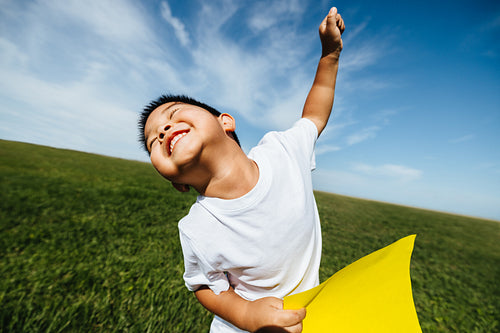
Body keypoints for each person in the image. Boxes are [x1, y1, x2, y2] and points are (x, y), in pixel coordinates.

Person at [139, 6, 345, 333]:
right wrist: (248, 316)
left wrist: (329, 56)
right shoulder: (197, 228)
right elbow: (205, 287)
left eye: (173, 114)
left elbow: (314, 117)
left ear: (225, 122)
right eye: (153, 141)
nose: (163, 131)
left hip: (308, 319)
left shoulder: (282, 151)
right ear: (176, 182)